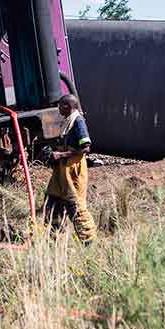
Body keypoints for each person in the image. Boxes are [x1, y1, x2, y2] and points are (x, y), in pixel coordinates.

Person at [44, 94, 98, 243]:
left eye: (60, 105)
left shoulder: (78, 121)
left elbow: (85, 148)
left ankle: (88, 241)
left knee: (75, 204)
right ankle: (54, 238)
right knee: (53, 200)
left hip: (72, 168)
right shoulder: (67, 120)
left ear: (67, 106)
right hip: (62, 168)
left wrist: (61, 155)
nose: (58, 108)